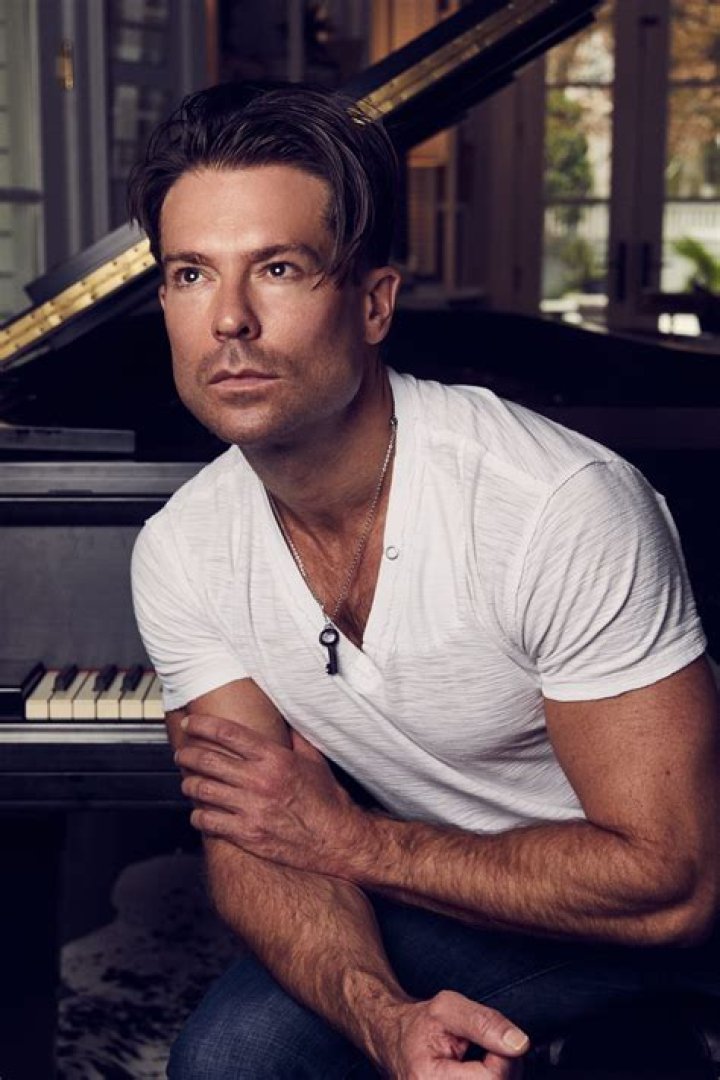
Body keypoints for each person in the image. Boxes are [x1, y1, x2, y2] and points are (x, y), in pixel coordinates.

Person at [129, 82, 720, 1079]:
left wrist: (351, 843)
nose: (229, 319)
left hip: (663, 921)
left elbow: (676, 887)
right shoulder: (181, 549)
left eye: (278, 268)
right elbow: (258, 834)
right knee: (232, 1057)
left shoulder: (554, 505)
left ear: (372, 304)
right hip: (462, 894)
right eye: (192, 274)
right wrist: (384, 1021)